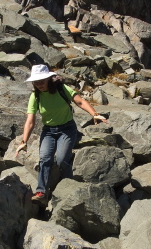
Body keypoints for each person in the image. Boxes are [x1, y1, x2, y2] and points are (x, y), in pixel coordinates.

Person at [15, 64, 107, 204]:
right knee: (45, 158)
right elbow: (30, 121)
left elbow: (80, 101)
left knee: (62, 159)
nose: (39, 84)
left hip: (67, 129)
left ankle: (68, 188)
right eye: (36, 81)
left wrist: (95, 114)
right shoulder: (35, 96)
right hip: (48, 131)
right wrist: (24, 142)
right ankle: (41, 193)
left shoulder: (61, 89)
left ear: (48, 79)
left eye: (42, 80)